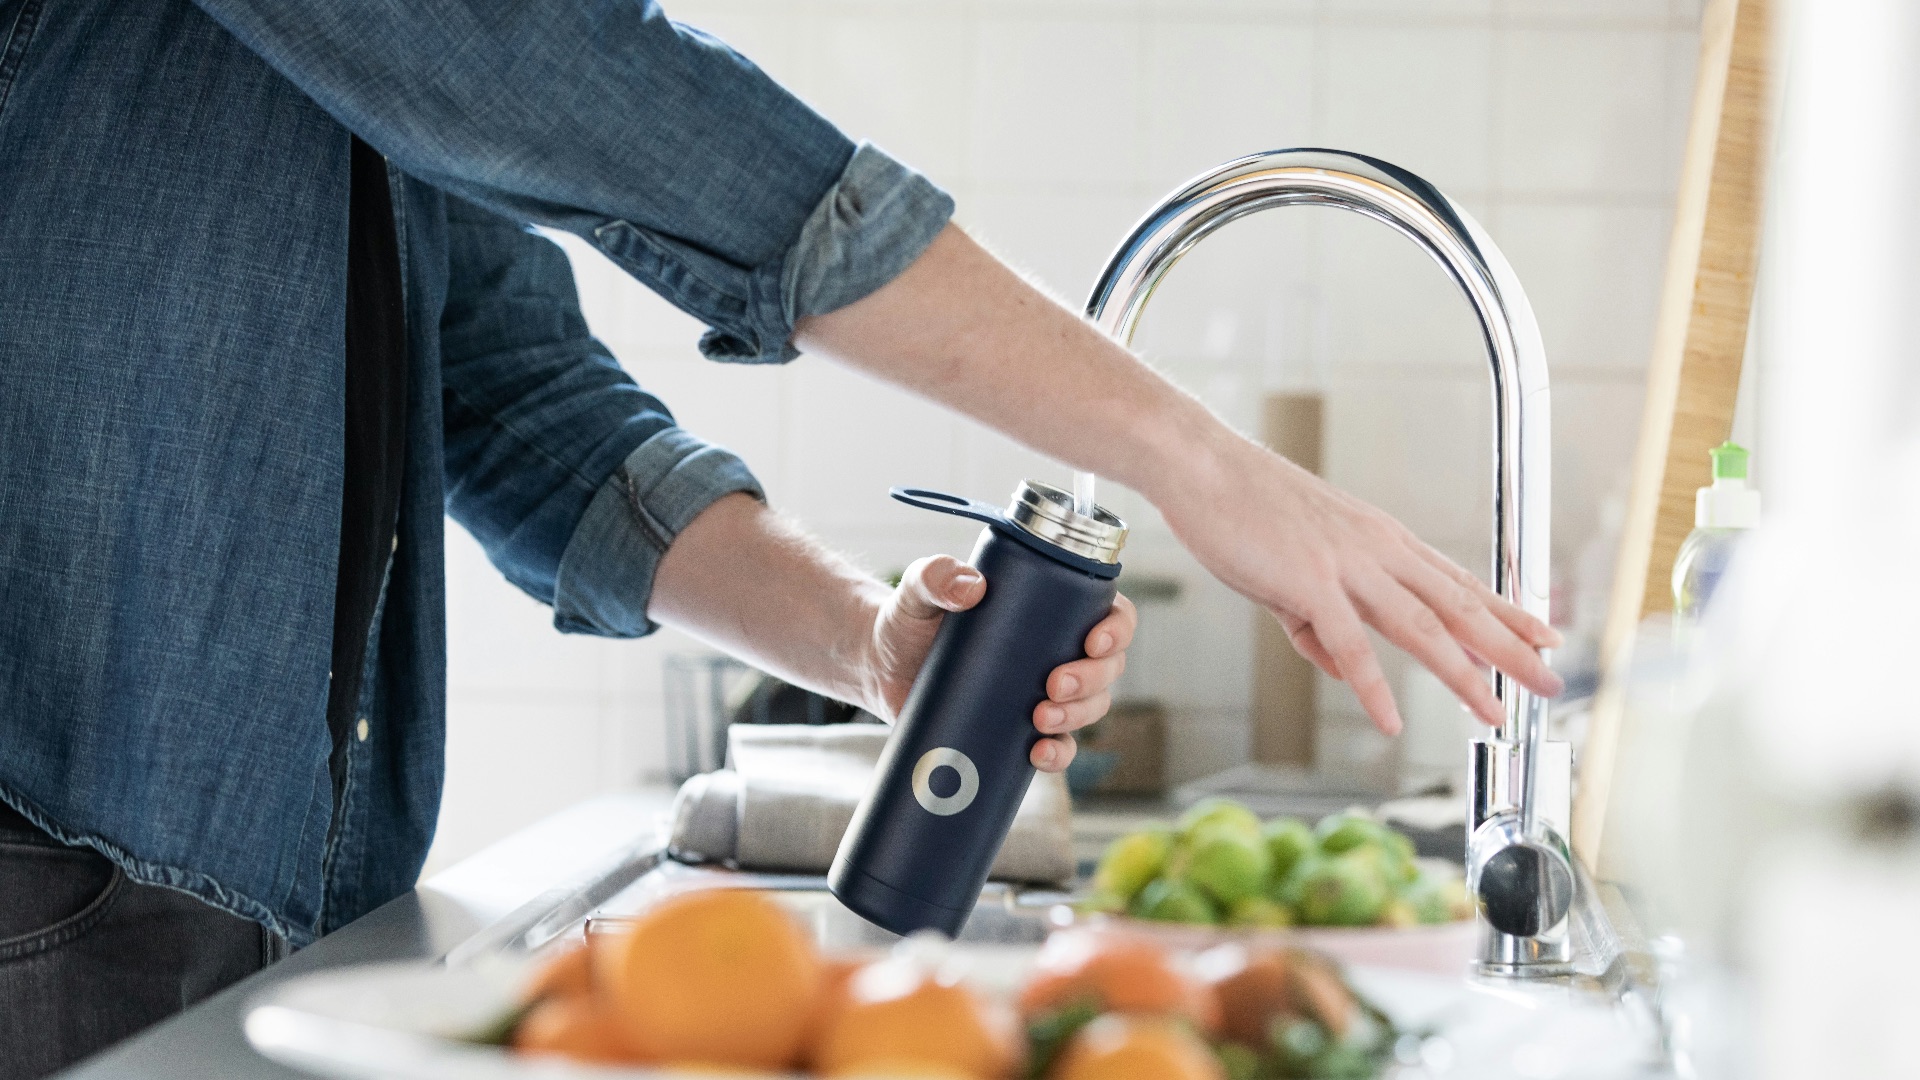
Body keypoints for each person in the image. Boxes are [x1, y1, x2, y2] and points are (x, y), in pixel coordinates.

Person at [0, 0, 1561, 1074]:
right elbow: (587, 89)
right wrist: (1197, 460)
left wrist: (870, 643)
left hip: (245, 883)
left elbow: (516, 398)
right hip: (45, 858)